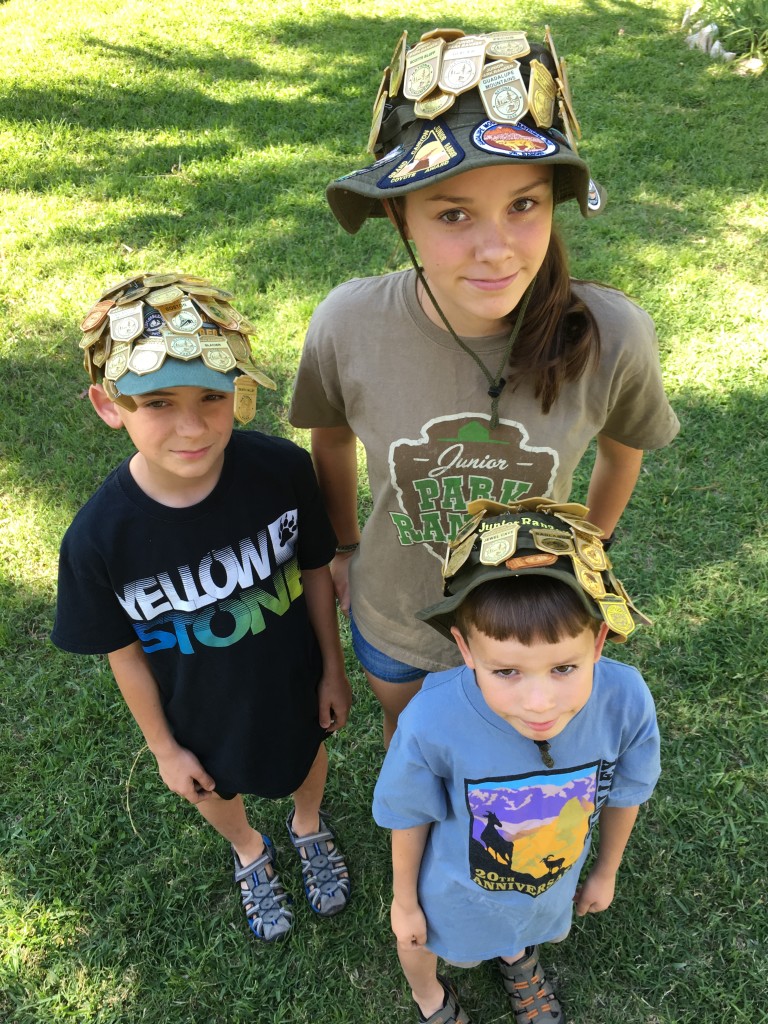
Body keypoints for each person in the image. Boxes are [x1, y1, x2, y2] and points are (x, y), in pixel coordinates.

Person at [289, 25, 679, 745]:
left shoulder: (613, 335)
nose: (495, 248)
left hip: (529, 633)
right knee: (413, 741)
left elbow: (625, 452)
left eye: (523, 205)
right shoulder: (348, 323)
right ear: (396, 212)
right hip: (397, 617)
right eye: (453, 213)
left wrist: (588, 553)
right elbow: (331, 438)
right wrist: (344, 547)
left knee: (513, 755)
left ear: (555, 203)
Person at [51, 272, 353, 942]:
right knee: (212, 788)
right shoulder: (99, 540)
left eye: (212, 398)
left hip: (292, 680)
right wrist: (162, 748)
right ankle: (249, 850)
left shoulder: (281, 471)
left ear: (237, 392)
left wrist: (333, 670)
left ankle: (308, 825)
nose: (191, 427)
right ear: (108, 405)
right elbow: (121, 650)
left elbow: (314, 572)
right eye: (156, 402)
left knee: (307, 756)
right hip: (197, 710)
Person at [373, 496, 660, 1023]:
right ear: (464, 648)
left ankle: (515, 953)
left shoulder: (626, 701)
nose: (539, 703)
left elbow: (627, 791)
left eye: (564, 667)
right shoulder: (429, 720)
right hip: (454, 893)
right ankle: (430, 998)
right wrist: (405, 902)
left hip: (547, 885)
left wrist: (606, 869)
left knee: (519, 928)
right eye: (506, 672)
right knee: (422, 944)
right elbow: (409, 813)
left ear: (598, 640)